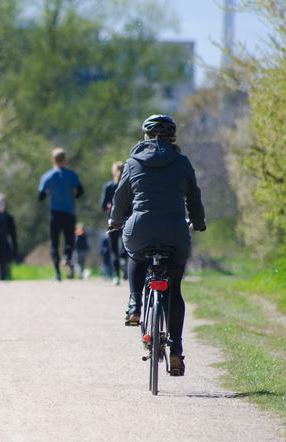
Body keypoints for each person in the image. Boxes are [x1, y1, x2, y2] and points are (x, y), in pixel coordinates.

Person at [109, 114, 206, 376]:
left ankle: (134, 304)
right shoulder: (183, 162)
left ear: (145, 137)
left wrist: (115, 222)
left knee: (135, 254)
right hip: (175, 231)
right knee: (174, 290)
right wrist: (198, 222)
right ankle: (176, 351)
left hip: (140, 229)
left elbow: (120, 199)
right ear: (172, 137)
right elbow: (194, 199)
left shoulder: (132, 162)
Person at [38, 148, 84, 281]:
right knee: (70, 240)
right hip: (69, 212)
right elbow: (80, 191)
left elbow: (40, 196)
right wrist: (72, 196)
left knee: (54, 243)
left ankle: (58, 274)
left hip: (55, 214)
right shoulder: (72, 175)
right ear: (65, 160)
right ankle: (67, 257)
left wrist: (48, 193)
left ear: (53, 160)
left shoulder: (47, 176)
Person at [100, 161, 125, 285]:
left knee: (114, 249)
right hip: (127, 220)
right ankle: (124, 263)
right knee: (127, 246)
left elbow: (103, 206)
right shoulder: (128, 185)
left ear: (113, 172)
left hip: (113, 221)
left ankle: (116, 276)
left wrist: (109, 207)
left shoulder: (109, 186)